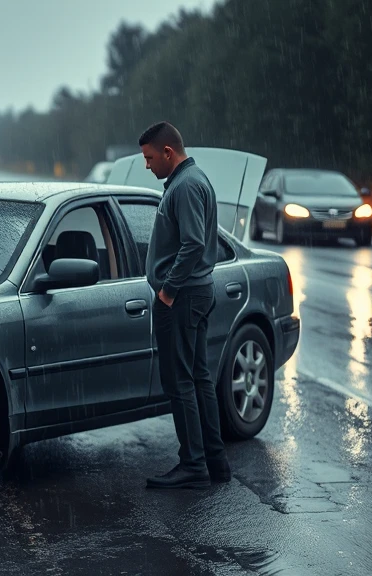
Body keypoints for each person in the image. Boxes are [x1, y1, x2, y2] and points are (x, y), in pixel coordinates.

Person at [138, 121, 231, 490]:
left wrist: (168, 291)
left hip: (183, 296)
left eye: (149, 158)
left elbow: (193, 244)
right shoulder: (191, 180)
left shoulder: (187, 185)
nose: (147, 165)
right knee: (198, 377)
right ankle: (215, 462)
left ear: (168, 152)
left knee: (179, 381)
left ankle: (193, 464)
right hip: (193, 293)